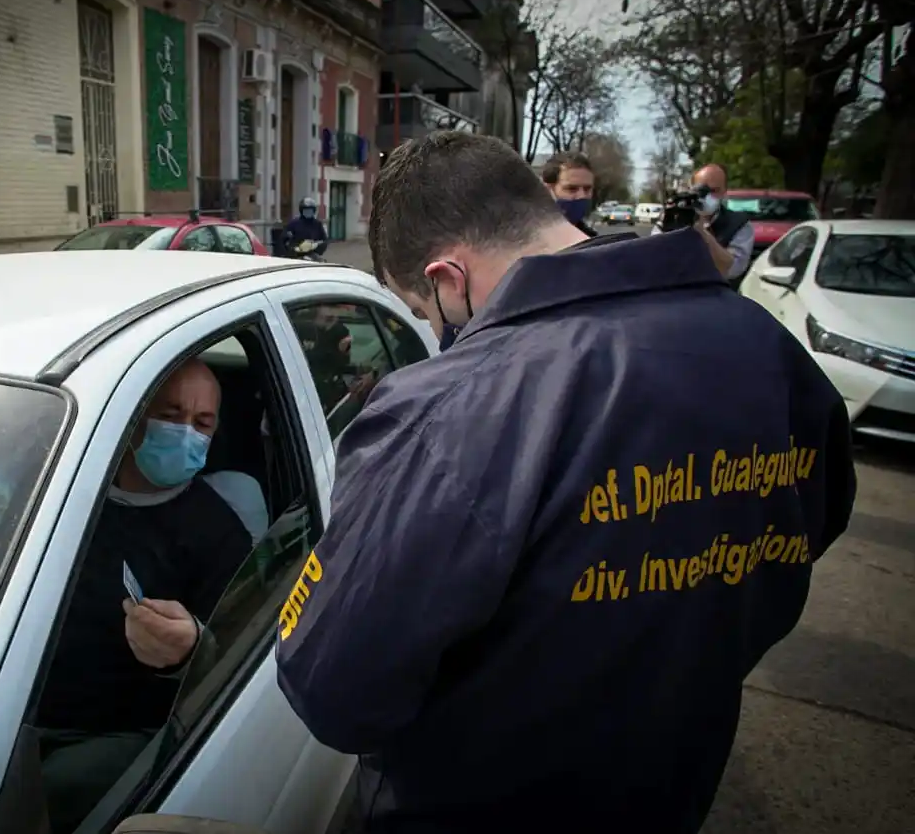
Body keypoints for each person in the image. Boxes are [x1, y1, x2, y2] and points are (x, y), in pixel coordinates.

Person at [275, 131, 856, 833]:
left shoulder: (446, 409)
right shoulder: (767, 348)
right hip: (672, 782)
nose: (437, 332)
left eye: (427, 311)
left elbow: (334, 686)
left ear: (446, 278)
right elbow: (809, 525)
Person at [36, 357, 268, 831]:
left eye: (201, 423)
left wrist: (190, 649)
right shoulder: (69, 493)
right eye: (170, 414)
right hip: (15, 705)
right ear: (135, 415)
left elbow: (238, 657)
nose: (185, 432)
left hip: (114, 732)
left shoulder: (221, 531)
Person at [653, 163, 755, 288]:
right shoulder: (673, 217)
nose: (707, 197)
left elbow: (733, 270)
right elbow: (653, 259)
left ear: (724, 192)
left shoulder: (739, 224)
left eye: (714, 191)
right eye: (701, 190)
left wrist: (701, 232)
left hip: (717, 297)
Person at [540, 150, 598, 238]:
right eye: (572, 189)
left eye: (587, 189)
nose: (582, 196)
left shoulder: (592, 240)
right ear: (548, 190)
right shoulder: (523, 240)